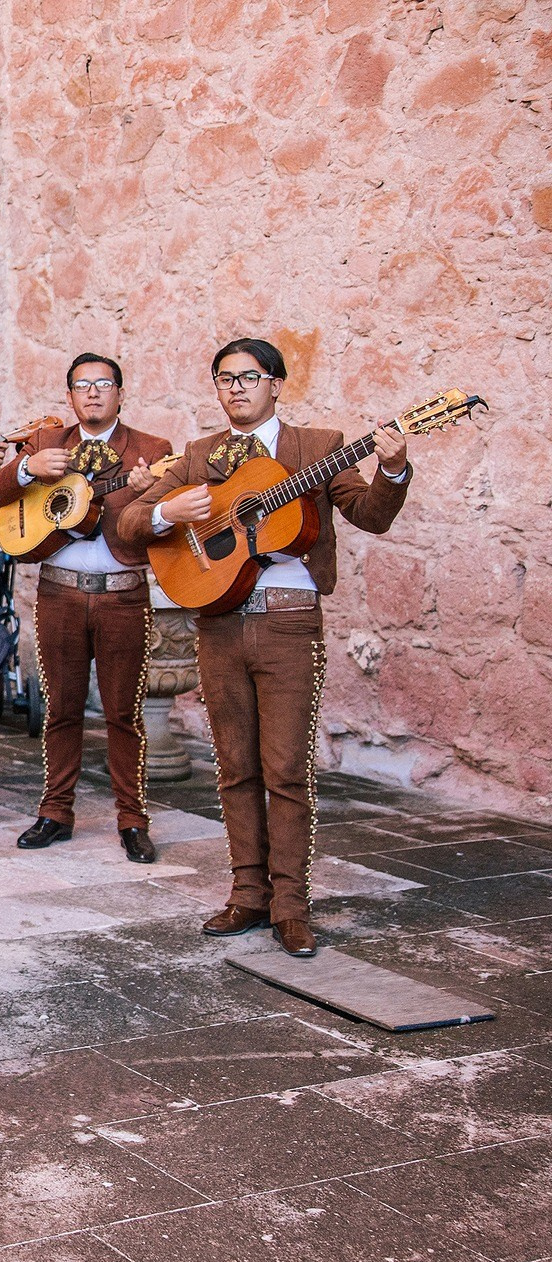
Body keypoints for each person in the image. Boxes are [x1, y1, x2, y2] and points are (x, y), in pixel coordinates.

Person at [121, 338, 412, 956]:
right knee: (234, 768)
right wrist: (170, 510)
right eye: (224, 378)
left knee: (285, 769)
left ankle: (291, 906)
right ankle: (247, 894)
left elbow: (370, 514)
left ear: (276, 384)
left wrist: (391, 470)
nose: (236, 388)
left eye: (249, 377)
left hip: (289, 622)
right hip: (219, 624)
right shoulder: (199, 454)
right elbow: (130, 521)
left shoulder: (319, 447)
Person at [0, 353, 169, 865]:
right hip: (59, 592)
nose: (92, 392)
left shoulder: (152, 451)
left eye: (103, 384)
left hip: (123, 593)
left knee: (123, 714)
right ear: (69, 396)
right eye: (82, 385)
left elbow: (159, 524)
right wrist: (27, 468)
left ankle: (132, 819)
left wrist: (148, 494)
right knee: (60, 709)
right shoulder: (48, 441)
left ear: (120, 393)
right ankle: (55, 811)